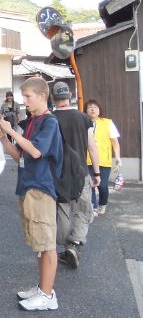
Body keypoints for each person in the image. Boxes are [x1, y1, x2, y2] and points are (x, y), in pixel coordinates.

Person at [0, 77, 63, 311]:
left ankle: (47, 294)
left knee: (47, 243)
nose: (24, 101)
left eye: (28, 97)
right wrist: (4, 138)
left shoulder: (49, 122)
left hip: (41, 188)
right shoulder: (32, 122)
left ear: (42, 96)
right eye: (23, 96)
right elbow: (20, 156)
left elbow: (35, 152)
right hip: (28, 186)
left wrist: (11, 133)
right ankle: (42, 288)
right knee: (38, 242)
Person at [50, 82, 100, 270]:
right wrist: (96, 172)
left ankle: (65, 245)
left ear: (52, 97)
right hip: (80, 171)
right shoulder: (83, 118)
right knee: (82, 208)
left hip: (58, 173)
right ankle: (75, 243)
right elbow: (92, 146)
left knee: (62, 209)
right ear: (69, 95)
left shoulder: (51, 118)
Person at [84, 99, 122, 216]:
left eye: (95, 107)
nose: (93, 109)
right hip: (87, 160)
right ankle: (93, 206)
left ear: (99, 109)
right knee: (90, 184)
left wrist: (117, 158)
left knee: (102, 185)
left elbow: (115, 142)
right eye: (90, 107)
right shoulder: (82, 123)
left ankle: (102, 204)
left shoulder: (108, 123)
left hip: (103, 160)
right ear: (86, 110)